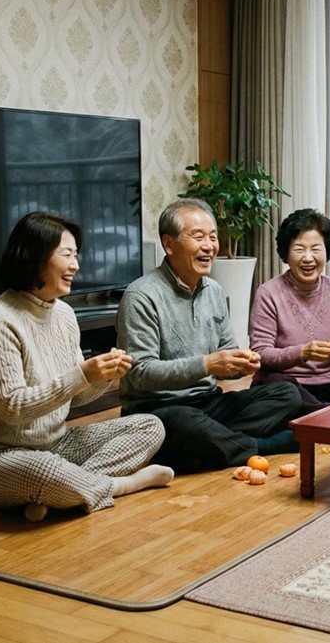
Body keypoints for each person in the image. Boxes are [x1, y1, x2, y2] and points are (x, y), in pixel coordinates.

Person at [0, 212, 173, 523]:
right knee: (42, 471)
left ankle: (61, 493)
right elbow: (12, 408)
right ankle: (120, 485)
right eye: (67, 255)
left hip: (56, 444)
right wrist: (83, 373)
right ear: (36, 257)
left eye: (76, 255)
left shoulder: (65, 315)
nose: (76, 266)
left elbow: (75, 398)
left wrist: (104, 377)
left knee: (150, 425)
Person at [116, 198, 304, 473]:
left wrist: (240, 364)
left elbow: (226, 355)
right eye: (198, 236)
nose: (209, 246)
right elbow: (141, 373)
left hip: (208, 403)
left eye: (213, 237)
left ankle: (205, 448)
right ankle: (261, 446)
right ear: (168, 245)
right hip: (158, 409)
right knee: (182, 422)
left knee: (287, 393)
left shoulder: (214, 291)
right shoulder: (141, 296)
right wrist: (207, 364)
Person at [249, 208, 330, 413]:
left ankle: (323, 415)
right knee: (286, 391)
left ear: (327, 252)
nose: (308, 258)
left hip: (328, 386)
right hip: (284, 385)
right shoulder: (269, 293)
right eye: (299, 249)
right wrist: (302, 352)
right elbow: (260, 354)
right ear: (286, 252)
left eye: (316, 249)